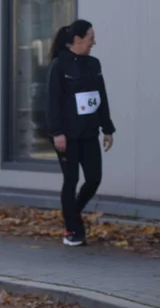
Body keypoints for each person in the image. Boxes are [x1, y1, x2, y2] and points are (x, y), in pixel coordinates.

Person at [45, 19, 115, 247]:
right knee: (71, 179)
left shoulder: (94, 64)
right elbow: (52, 102)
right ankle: (72, 230)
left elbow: (101, 98)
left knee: (94, 178)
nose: (94, 42)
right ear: (77, 40)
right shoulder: (59, 65)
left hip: (89, 132)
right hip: (67, 135)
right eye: (91, 38)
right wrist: (57, 133)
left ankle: (72, 213)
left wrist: (107, 129)